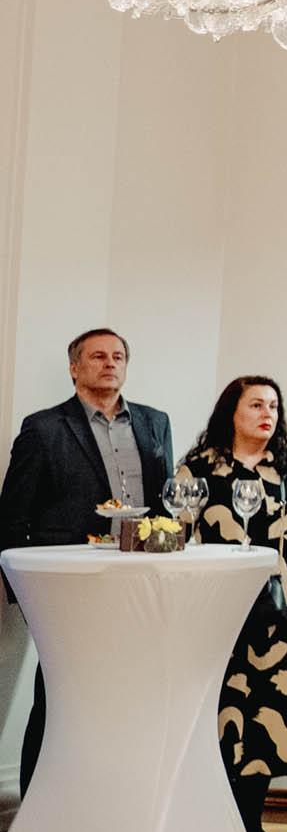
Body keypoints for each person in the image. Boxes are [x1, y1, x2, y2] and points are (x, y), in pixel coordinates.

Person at [0, 327, 174, 792]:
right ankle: (38, 806)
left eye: (118, 356)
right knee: (59, 698)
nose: (110, 363)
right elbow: (12, 515)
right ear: (74, 368)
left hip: (139, 582)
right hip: (69, 589)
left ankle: (106, 797)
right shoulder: (43, 428)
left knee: (125, 698)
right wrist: (26, 596)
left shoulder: (155, 423)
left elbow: (166, 506)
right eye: (98, 356)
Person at [174, 375, 287, 832]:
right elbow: (175, 533)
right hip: (221, 610)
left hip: (286, 609)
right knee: (225, 709)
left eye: (274, 406)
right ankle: (214, 820)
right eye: (257, 404)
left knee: (271, 712)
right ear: (232, 412)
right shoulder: (199, 469)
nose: (268, 414)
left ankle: (250, 821)